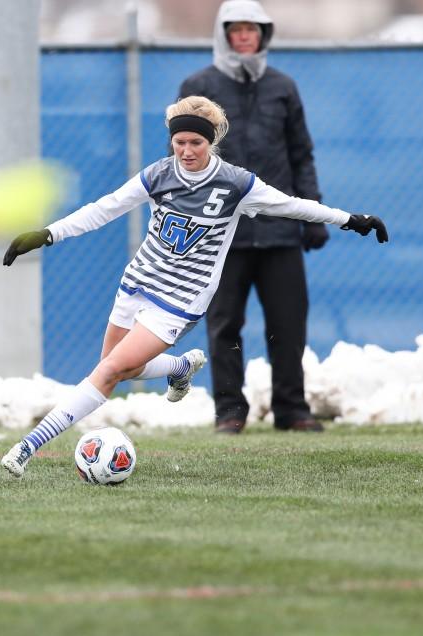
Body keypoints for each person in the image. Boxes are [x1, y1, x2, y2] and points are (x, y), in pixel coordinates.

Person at [0, 95, 387, 478]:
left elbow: (293, 205)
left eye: (195, 143)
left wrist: (352, 219)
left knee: (111, 369)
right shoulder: (157, 175)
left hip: (181, 297)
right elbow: (105, 208)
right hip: (139, 280)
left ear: (211, 141)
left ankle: (26, 447)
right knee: (116, 369)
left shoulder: (237, 183)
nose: (186, 151)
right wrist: (48, 234)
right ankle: (180, 367)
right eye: (179, 142)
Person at [178, 0, 329, 434]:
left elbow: (301, 155)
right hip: (220, 235)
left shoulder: (284, 87)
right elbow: (182, 159)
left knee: (288, 323)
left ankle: (292, 409)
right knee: (225, 325)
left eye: (253, 29)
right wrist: (190, 221)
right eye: (236, 29)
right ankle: (230, 411)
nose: (244, 36)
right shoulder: (198, 87)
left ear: (264, 35)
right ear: (222, 35)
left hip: (280, 232)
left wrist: (312, 215)